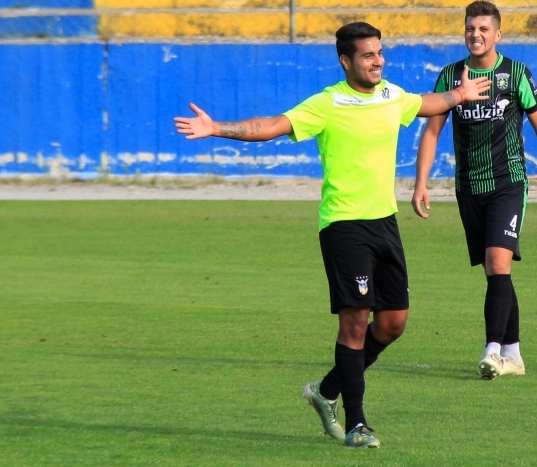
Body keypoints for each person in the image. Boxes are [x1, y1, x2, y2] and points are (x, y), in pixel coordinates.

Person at [174, 22, 491, 448]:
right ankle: (358, 424)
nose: (377, 60)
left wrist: (457, 96)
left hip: (385, 223)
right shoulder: (328, 103)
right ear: (346, 61)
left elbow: (423, 103)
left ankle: (325, 392)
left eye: (380, 52)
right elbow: (272, 125)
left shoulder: (390, 95)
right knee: (356, 322)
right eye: (367, 54)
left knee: (394, 324)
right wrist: (217, 128)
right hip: (343, 226)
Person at [412, 0, 537, 380]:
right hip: (468, 187)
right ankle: (515, 356)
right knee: (495, 272)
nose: (476, 34)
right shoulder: (451, 76)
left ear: (497, 34)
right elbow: (432, 131)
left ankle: (492, 352)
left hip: (508, 183)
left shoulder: (516, 74)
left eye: (484, 29)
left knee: (498, 263)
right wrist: (421, 182)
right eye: (471, 28)